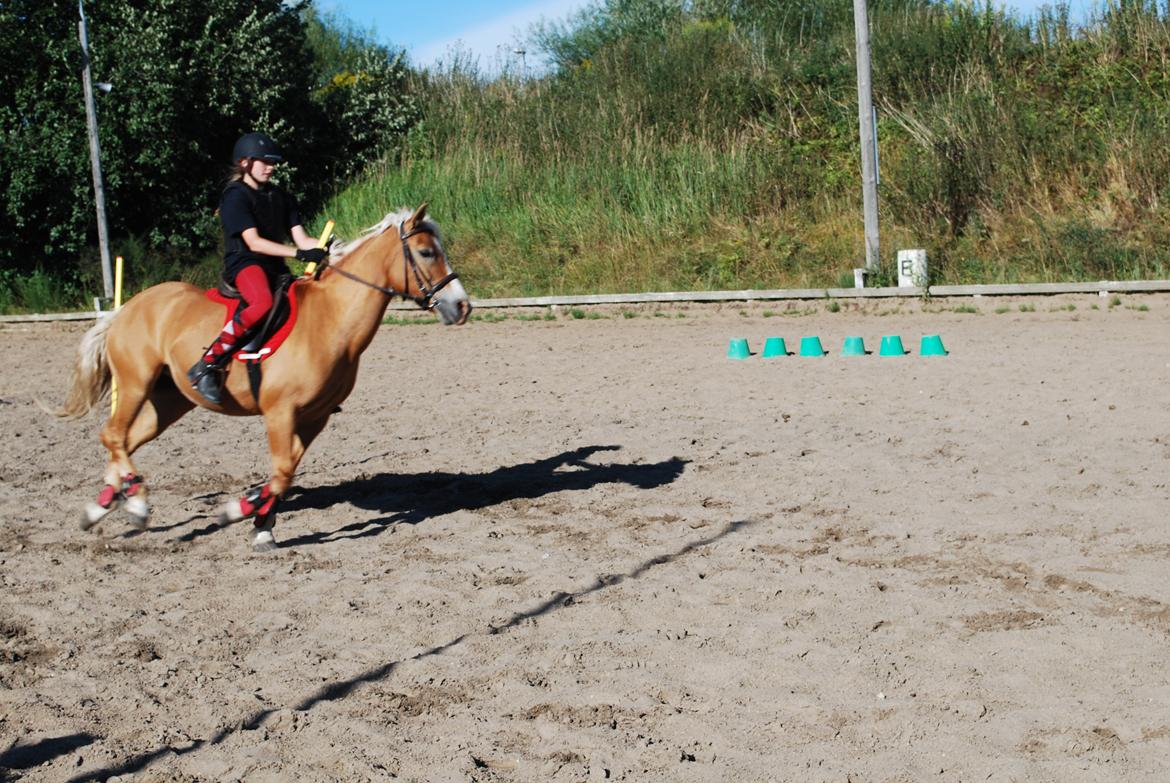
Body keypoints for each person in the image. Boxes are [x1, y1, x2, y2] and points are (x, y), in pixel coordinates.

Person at [187, 132, 328, 405]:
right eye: (263, 161)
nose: (270, 166)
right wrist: (299, 254)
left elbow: (302, 239)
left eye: (272, 162)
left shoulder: (281, 197)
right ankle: (207, 365)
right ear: (244, 163)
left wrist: (329, 248)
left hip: (275, 265)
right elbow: (254, 242)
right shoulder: (235, 197)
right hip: (245, 263)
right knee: (262, 303)